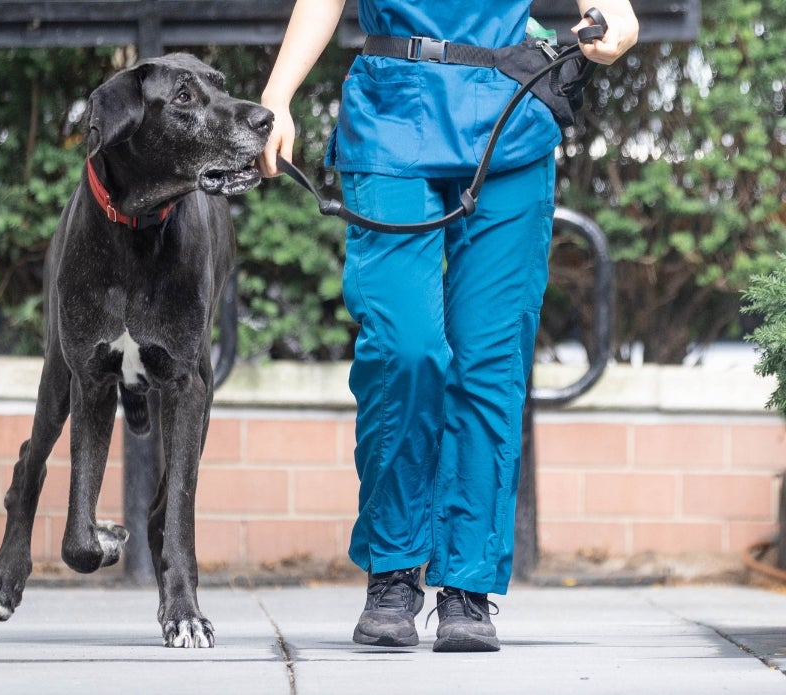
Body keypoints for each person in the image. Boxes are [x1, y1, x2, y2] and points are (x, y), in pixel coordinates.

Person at [258, 0, 638, 652]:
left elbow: (610, 10)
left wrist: (616, 17)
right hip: (391, 111)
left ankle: (468, 583)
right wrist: (278, 93)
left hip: (509, 119)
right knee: (403, 347)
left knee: (490, 360)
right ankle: (394, 567)